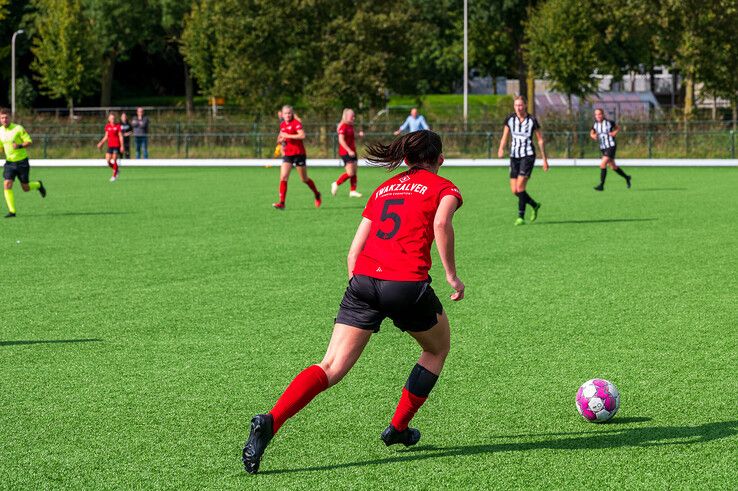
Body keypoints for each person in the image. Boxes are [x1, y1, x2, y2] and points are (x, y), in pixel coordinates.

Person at [243, 129, 465, 474]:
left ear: (404, 159)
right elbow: (441, 223)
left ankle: (270, 420)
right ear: (439, 159)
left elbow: (354, 249)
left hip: (363, 280)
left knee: (330, 366)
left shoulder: (382, 189)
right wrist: (452, 276)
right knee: (437, 349)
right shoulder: (444, 187)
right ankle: (398, 428)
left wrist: (360, 287)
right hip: (405, 284)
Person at [498, 96, 549, 226]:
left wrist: (544, 159)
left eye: (521, 105)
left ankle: (520, 216)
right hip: (514, 156)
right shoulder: (510, 119)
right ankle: (534, 204)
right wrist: (501, 148)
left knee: (520, 187)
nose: (518, 108)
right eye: (516, 105)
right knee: (515, 190)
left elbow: (540, 140)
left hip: (528, 156)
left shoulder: (532, 120)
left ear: (525, 105)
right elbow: (505, 136)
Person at [273, 105, 321, 210]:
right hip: (288, 155)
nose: (287, 115)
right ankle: (282, 202)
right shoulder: (282, 125)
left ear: (292, 113)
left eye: (289, 113)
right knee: (283, 177)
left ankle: (317, 194)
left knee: (304, 179)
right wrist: (280, 141)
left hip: (299, 154)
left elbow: (302, 135)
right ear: (282, 114)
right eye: (285, 113)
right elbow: (280, 138)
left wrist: (287, 136)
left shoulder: (296, 123)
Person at [0, 108, 46, 218]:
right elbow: (1, 147)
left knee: (25, 188)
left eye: (6, 117)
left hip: (22, 162)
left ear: (10, 117)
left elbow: (29, 141)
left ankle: (38, 184)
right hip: (10, 163)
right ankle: (12, 211)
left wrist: (19, 146)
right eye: (2, 118)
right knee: (6, 184)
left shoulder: (18, 128)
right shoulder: (0, 131)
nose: (4, 119)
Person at [590, 108, 631, 191]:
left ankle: (601, 185)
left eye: (599, 114)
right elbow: (591, 132)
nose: (598, 116)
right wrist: (593, 136)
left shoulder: (609, 122)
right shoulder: (595, 124)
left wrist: (614, 132)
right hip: (603, 147)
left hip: (611, 146)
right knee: (613, 166)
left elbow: (617, 128)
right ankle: (627, 177)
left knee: (602, 164)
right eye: (596, 114)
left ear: (603, 114)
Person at [331, 108, 364, 198]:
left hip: (353, 151)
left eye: (354, 116)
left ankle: (352, 191)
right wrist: (349, 150)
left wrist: (358, 135)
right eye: (352, 116)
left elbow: (352, 136)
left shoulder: (350, 126)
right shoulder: (343, 126)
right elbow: (341, 140)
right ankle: (336, 183)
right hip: (345, 152)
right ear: (346, 116)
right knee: (350, 173)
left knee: (354, 172)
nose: (354, 118)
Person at [97, 113, 124, 182]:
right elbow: (106, 136)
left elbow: (120, 136)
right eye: (111, 118)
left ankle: (114, 176)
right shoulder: (107, 126)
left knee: (114, 159)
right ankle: (117, 170)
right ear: (109, 119)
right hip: (110, 146)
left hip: (116, 146)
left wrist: (122, 146)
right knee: (108, 161)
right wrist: (101, 143)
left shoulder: (118, 126)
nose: (113, 120)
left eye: (114, 118)